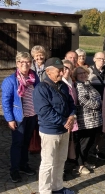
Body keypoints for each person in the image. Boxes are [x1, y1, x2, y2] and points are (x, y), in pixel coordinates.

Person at [33, 57, 76, 194]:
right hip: (50, 131)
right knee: (48, 163)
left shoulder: (63, 85)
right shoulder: (41, 89)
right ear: (48, 71)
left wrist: (72, 116)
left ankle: (57, 187)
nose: (62, 73)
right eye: (59, 71)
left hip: (64, 130)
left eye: (63, 70)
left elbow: (71, 103)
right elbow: (45, 112)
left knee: (61, 160)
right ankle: (45, 191)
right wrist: (64, 122)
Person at [2, 52, 40, 183]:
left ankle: (24, 165)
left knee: (26, 142)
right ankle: (14, 170)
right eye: (22, 62)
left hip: (32, 115)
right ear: (17, 63)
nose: (25, 64)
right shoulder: (10, 81)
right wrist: (10, 119)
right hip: (19, 118)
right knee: (17, 143)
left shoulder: (34, 77)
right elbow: (6, 102)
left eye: (28, 62)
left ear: (31, 63)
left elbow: (39, 94)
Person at [73, 66, 103, 175]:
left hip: (94, 119)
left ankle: (84, 161)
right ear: (75, 76)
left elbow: (96, 96)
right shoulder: (79, 85)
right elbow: (82, 100)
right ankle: (79, 165)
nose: (83, 75)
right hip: (85, 120)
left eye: (84, 73)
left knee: (90, 141)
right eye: (80, 73)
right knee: (83, 143)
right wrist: (98, 104)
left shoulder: (87, 84)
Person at [88, 52, 105, 161]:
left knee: (103, 130)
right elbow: (86, 89)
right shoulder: (89, 71)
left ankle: (98, 150)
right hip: (93, 105)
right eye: (99, 59)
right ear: (94, 59)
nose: (102, 61)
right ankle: (88, 150)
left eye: (103, 59)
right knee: (92, 130)